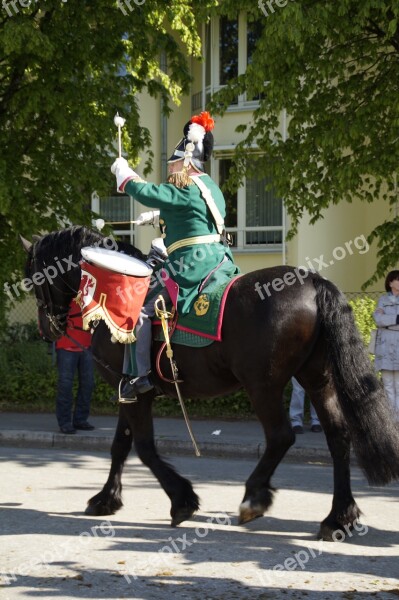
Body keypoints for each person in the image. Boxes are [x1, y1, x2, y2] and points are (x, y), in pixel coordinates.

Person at [111, 111, 240, 400]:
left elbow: (147, 191)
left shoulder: (183, 184)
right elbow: (195, 214)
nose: (171, 171)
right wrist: (158, 215)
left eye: (174, 164)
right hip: (219, 260)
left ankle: (139, 377)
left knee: (142, 311)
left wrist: (124, 174)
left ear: (186, 161)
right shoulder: (211, 188)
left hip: (190, 264)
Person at [55, 301, 95, 434]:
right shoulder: (62, 293)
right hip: (66, 345)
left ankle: (80, 420)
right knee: (65, 385)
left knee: (88, 384)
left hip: (87, 345)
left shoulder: (89, 293)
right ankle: (65, 422)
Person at [373, 270, 399, 421]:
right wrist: (396, 318)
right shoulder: (382, 300)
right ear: (390, 283)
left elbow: (383, 320)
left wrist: (387, 319)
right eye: (397, 280)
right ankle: (391, 421)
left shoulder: (383, 304)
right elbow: (378, 320)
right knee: (388, 386)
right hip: (385, 346)